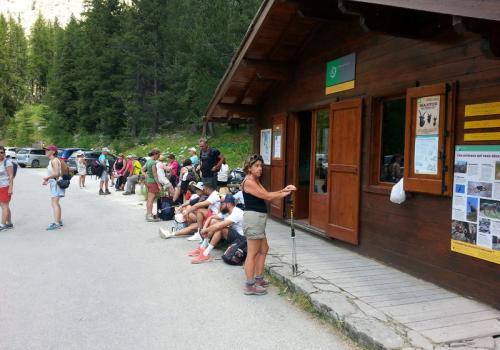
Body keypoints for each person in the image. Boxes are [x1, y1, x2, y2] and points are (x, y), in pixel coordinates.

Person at [241, 154, 296, 295]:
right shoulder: (248, 181)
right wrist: (285, 193)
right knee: (253, 252)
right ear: (249, 168)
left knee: (264, 248)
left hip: (258, 219)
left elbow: (267, 193)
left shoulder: (255, 180)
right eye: (257, 166)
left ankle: (258, 279)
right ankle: (250, 285)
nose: (260, 169)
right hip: (253, 219)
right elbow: (268, 197)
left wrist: (284, 190)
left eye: (261, 166)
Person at [190, 194, 245, 264]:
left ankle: (205, 254)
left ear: (228, 204)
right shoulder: (227, 212)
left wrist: (205, 230)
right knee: (214, 221)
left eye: (222, 203)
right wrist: (204, 228)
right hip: (233, 237)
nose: (220, 205)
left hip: (241, 239)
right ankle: (203, 248)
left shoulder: (237, 212)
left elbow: (218, 227)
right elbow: (211, 218)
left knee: (220, 228)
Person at [42, 145, 66, 230]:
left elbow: (57, 174)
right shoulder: (52, 160)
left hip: (56, 184)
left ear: (53, 151)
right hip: (55, 183)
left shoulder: (55, 161)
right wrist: (47, 180)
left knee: (54, 203)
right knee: (55, 203)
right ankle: (58, 221)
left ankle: (56, 223)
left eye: (47, 150)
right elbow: (54, 173)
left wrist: (47, 178)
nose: (46, 151)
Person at [143, 148, 162, 222]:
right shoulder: (153, 163)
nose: (159, 156)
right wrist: (159, 184)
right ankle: (149, 215)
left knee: (149, 199)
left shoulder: (148, 161)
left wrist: (146, 175)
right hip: (153, 182)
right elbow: (155, 175)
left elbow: (142, 169)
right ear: (155, 154)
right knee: (151, 199)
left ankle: (148, 213)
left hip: (148, 181)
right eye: (158, 155)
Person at [0, 146, 14, 231]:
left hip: (5, 187)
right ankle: (9, 223)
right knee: (4, 206)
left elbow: (11, 176)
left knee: (4, 205)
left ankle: (3, 224)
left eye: (2, 152)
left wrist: (10, 188)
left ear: (4, 153)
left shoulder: (7, 162)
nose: (0, 154)